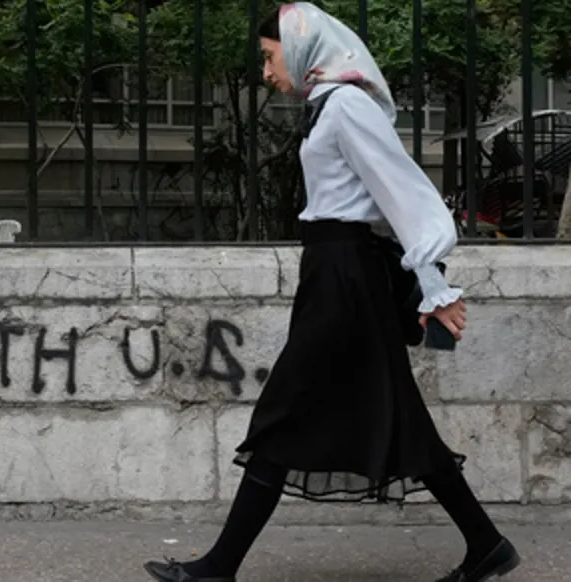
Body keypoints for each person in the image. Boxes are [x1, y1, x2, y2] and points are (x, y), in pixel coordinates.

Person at [143, 3, 521, 582]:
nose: (266, 71)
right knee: (397, 418)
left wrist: (434, 285)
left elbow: (403, 193)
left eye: (270, 57)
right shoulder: (329, 105)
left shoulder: (346, 106)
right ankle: (487, 544)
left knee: (285, 407)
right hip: (334, 271)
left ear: (297, 48)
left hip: (344, 276)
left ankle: (218, 569)